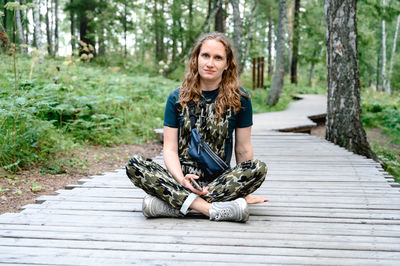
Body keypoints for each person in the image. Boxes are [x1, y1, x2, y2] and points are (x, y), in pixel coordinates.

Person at [126, 32, 268, 222]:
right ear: (196, 58)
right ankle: (211, 209)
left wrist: (244, 187)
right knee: (135, 164)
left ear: (227, 64)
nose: (210, 63)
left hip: (218, 181)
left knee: (258, 168)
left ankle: (173, 205)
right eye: (205, 56)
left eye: (218, 58)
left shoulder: (240, 98)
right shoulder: (176, 98)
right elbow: (169, 149)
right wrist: (181, 179)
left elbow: (243, 149)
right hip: (181, 179)